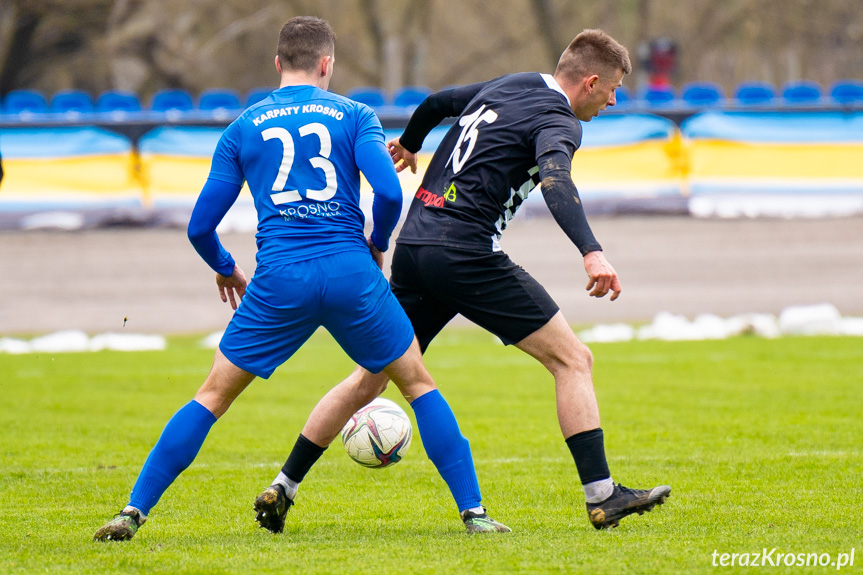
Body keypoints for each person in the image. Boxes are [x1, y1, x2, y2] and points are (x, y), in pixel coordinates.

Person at [94, 16, 508, 541]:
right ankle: (473, 514)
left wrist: (226, 267)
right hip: (349, 272)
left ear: (277, 64)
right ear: (327, 64)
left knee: (212, 396)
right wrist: (376, 245)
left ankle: (132, 513)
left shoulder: (243, 126)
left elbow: (200, 227)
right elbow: (388, 194)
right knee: (418, 384)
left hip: (278, 278)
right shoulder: (355, 115)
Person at [260, 28, 670, 533]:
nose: (611, 100)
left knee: (372, 376)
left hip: (415, 246)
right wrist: (592, 252)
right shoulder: (559, 119)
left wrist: (409, 145)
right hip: (464, 251)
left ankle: (284, 485)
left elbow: (435, 103)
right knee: (573, 359)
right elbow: (557, 178)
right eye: (611, 90)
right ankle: (603, 497)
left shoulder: (513, 83)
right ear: (589, 82)